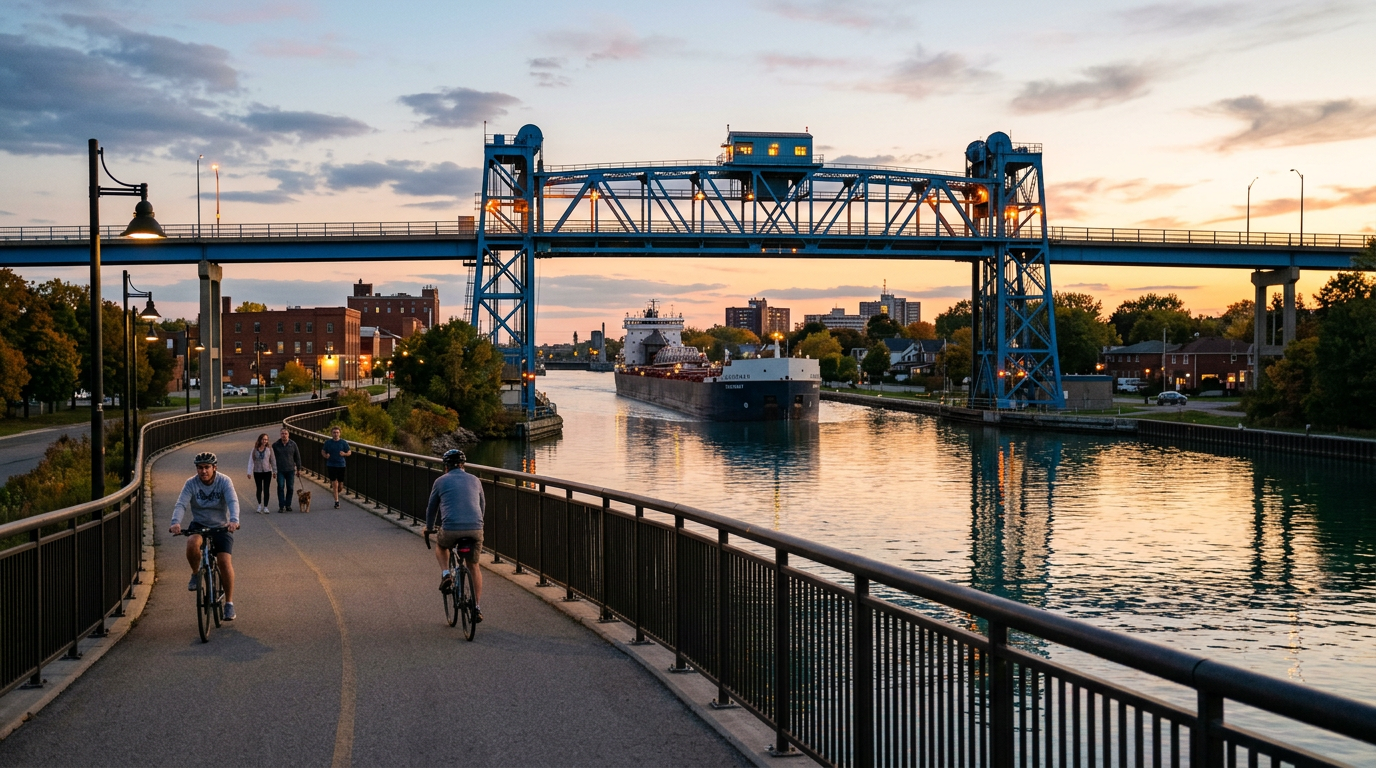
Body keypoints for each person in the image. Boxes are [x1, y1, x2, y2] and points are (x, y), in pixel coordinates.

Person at [169, 452, 241, 621]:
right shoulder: (191, 483)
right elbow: (181, 504)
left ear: (214, 468)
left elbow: (233, 502)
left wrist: (234, 520)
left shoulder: (224, 481)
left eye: (207, 467)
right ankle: (195, 573)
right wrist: (175, 522)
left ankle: (229, 604)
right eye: (200, 468)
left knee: (224, 561)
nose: (203, 471)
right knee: (192, 543)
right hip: (200, 524)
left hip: (221, 526)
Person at [424, 449, 485, 622]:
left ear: (446, 467)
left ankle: (446, 574)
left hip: (451, 528)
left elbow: (432, 508)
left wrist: (429, 528)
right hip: (475, 528)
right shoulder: (475, 480)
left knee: (442, 546)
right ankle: (477, 608)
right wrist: (478, 524)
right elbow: (482, 505)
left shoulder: (440, 481)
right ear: (463, 465)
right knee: (474, 566)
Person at [271, 427, 303, 512]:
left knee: (290, 487)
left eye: (285, 434)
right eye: (282, 434)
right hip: (280, 469)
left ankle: (288, 505)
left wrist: (299, 469)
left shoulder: (293, 444)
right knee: (280, 487)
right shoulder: (275, 445)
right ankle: (281, 506)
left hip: (290, 469)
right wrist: (273, 470)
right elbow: (271, 458)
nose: (284, 435)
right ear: (280, 434)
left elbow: (297, 457)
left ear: (288, 435)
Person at [321, 426, 352, 509]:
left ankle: (337, 492)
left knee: (340, 485)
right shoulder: (328, 443)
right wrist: (326, 456)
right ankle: (336, 501)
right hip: (331, 464)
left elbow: (349, 452)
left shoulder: (343, 443)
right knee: (334, 483)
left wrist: (344, 454)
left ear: (340, 433)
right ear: (331, 433)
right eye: (334, 432)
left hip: (341, 464)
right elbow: (323, 451)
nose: (335, 434)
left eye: (337, 432)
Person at [246, 433, 275, 515]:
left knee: (266, 489)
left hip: (267, 471)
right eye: (263, 439)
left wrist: (274, 471)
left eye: (266, 439)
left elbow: (273, 460)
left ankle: (266, 506)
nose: (265, 441)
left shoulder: (269, 449)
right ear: (260, 440)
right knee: (259, 489)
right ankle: (259, 505)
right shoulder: (254, 450)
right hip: (257, 471)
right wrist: (249, 472)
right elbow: (251, 461)